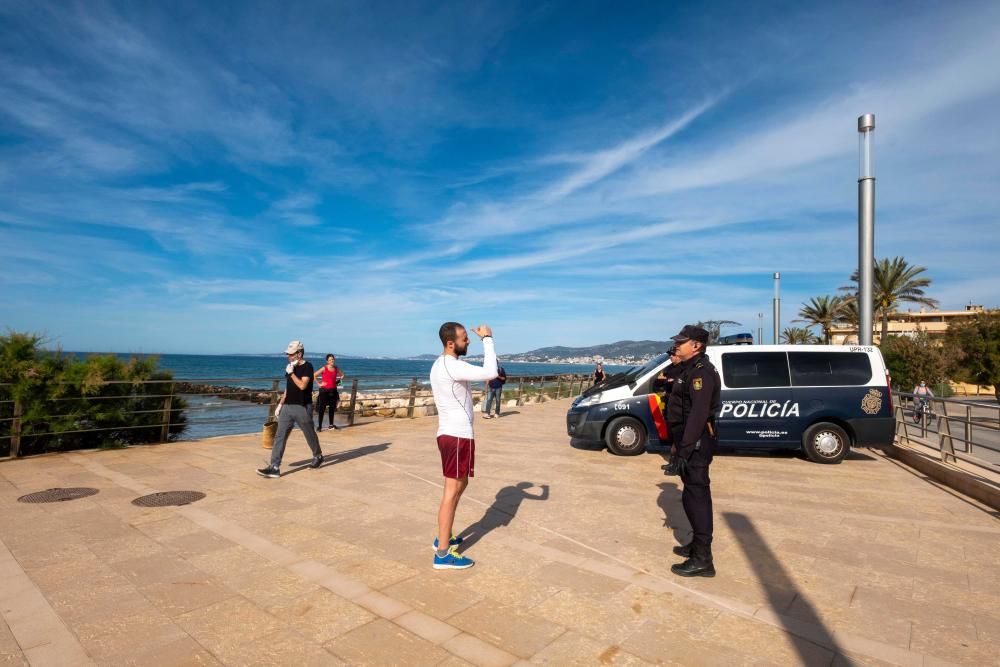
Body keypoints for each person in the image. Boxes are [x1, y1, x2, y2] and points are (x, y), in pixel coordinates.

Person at [429, 321, 497, 569]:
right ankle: (443, 554)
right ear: (450, 343)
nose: (467, 341)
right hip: (456, 436)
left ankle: (443, 538)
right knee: (451, 491)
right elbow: (490, 371)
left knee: (459, 485)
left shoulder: (440, 364)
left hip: (452, 435)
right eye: (463, 338)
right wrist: (487, 339)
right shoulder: (452, 365)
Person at [665, 325, 721, 577]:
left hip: (696, 445)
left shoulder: (702, 373)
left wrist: (685, 451)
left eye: (682, 342)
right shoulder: (687, 369)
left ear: (696, 345)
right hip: (687, 443)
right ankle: (697, 546)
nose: (677, 345)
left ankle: (703, 559)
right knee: (691, 495)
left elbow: (697, 416)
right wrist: (677, 446)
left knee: (696, 497)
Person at [256, 340, 324, 478]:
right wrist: (280, 405)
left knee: (309, 434)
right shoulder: (289, 367)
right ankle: (274, 466)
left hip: (302, 407)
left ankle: (318, 455)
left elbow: (302, 386)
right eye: (288, 354)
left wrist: (291, 373)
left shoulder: (308, 367)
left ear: (299, 353)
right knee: (279, 436)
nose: (288, 356)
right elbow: (289, 389)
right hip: (287, 407)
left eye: (291, 354)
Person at [660, 346, 685, 476]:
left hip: (677, 410)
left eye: (673, 354)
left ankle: (678, 467)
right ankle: (673, 462)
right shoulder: (670, 369)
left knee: (678, 440)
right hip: (669, 408)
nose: (671, 357)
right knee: (673, 438)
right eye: (670, 354)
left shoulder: (682, 369)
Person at [314, 354, 345, 431]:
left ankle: (331, 425)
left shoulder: (336, 368)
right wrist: (319, 384)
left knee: (332, 409)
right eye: (330, 359)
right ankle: (320, 426)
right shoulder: (324, 368)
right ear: (327, 361)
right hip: (324, 391)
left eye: (333, 359)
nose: (332, 361)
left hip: (333, 391)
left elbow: (342, 375)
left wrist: (337, 383)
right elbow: (314, 375)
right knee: (322, 409)